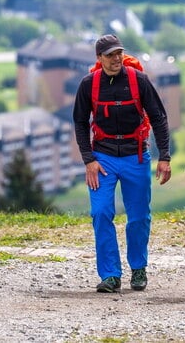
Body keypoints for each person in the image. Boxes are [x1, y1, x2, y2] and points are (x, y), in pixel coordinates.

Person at [73, 34, 172, 293]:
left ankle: (138, 268)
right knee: (101, 212)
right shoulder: (88, 85)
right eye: (110, 55)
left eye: (119, 53)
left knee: (138, 216)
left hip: (136, 155)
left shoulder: (139, 80)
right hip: (102, 158)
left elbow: (159, 117)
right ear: (99, 59)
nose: (116, 58)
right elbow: (80, 123)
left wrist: (165, 157)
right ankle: (110, 275)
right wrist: (88, 161)